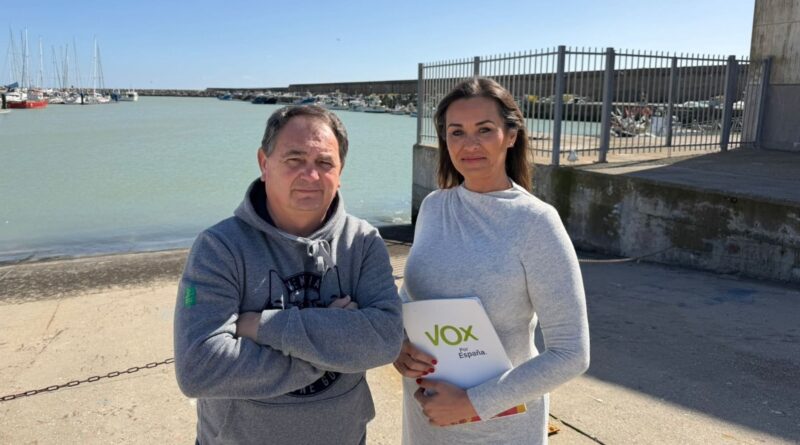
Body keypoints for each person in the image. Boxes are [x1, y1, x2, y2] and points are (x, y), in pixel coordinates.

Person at [174, 105, 404, 445]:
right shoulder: (220, 247)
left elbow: (386, 340)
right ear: (264, 163)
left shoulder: (363, 242)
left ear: (340, 171)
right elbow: (200, 368)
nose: (310, 175)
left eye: (324, 163)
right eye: (294, 159)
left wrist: (261, 327)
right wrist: (330, 352)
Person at [393, 77, 590, 444]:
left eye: (484, 129)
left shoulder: (536, 222)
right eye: (457, 132)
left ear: (511, 135)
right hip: (425, 420)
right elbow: (411, 298)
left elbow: (571, 353)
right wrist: (400, 344)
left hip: (499, 430)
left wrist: (472, 403)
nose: (470, 144)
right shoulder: (434, 207)